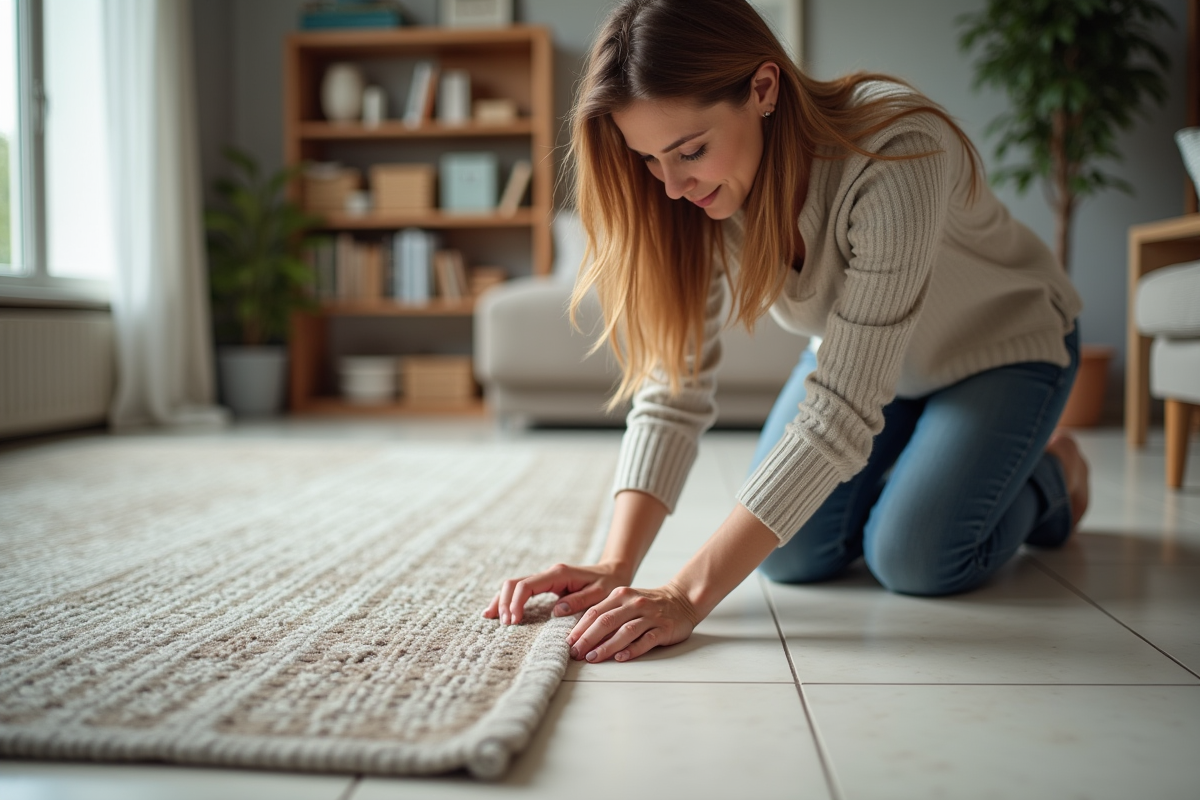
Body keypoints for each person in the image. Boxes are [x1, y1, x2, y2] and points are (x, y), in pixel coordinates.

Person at [483, 0, 1090, 665]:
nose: (674, 185)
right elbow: (673, 391)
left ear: (763, 89)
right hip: (867, 367)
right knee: (794, 556)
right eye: (651, 160)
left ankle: (1055, 473)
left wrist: (686, 594)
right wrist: (616, 562)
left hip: (1001, 351)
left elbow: (841, 411)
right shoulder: (696, 198)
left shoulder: (896, 146)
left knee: (915, 558)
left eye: (690, 151)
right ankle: (933, 462)